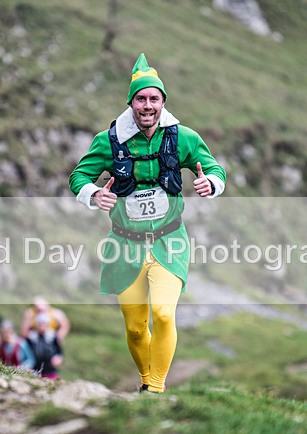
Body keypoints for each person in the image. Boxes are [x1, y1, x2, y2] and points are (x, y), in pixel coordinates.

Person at [69, 53, 226, 394]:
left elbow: (213, 168)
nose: (147, 105)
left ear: (163, 102)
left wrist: (210, 183)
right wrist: (95, 195)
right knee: (137, 328)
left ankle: (155, 389)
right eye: (141, 98)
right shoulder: (108, 141)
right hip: (124, 244)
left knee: (165, 314)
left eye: (154, 98)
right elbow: (79, 176)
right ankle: (145, 381)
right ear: (131, 103)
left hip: (169, 241)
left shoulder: (183, 136)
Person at [25, 312, 64, 379]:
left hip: (50, 369)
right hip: (35, 369)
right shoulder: (32, 337)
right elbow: (27, 351)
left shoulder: (53, 336)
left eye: (44, 323)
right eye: (40, 323)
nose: (42, 326)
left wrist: (58, 358)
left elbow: (59, 351)